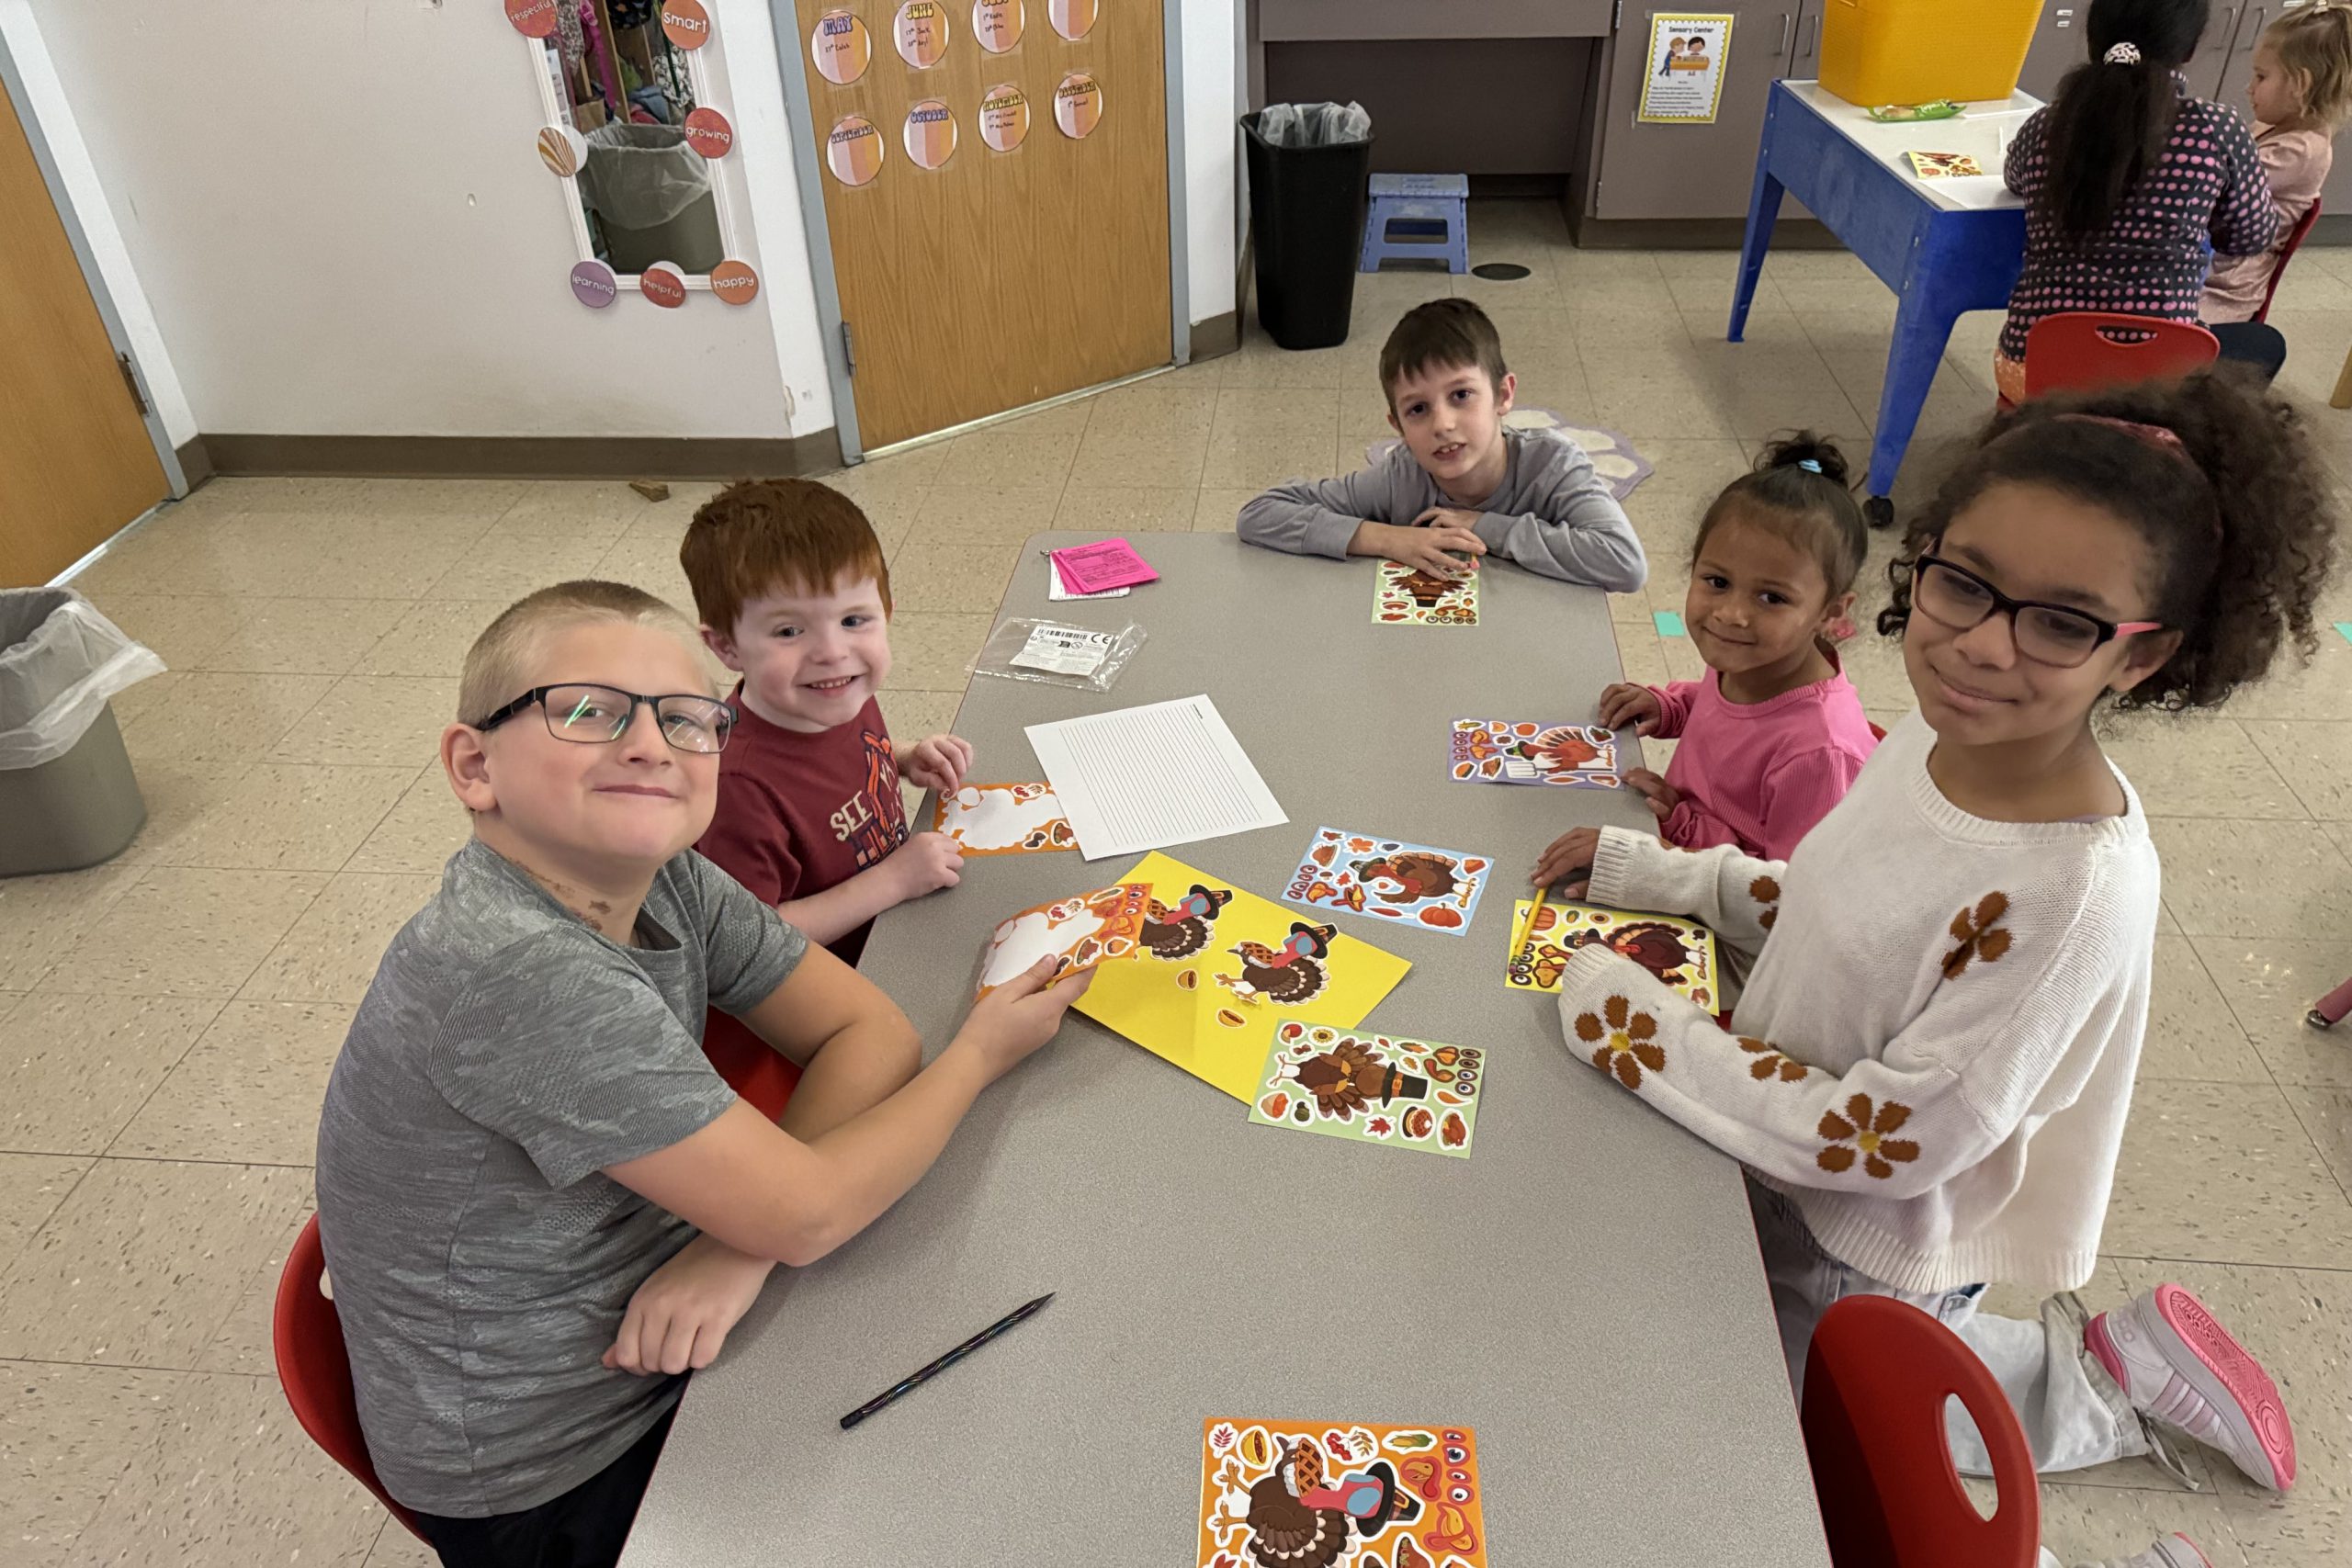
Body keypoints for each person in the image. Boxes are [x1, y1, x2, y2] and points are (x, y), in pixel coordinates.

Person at [1530, 369, 2335, 1568]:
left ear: (2145, 655)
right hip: (1791, 1162)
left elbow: (1882, 1139)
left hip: (1850, 1216)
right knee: (1892, 1361)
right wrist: (1679, 878)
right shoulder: (1939, 736)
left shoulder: (2073, 890)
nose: (1977, 644)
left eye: (2062, 619)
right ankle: (2109, 1358)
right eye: (1963, 582)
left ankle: (2100, 1431)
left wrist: (1635, 1026)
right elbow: (1838, 904)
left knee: (1841, 1455)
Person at [315, 582, 1089, 1568]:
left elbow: (870, 1032)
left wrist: (740, 1247)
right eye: (588, 712)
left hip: (658, 1299)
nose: (651, 747)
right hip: (556, 1462)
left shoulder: (666, 872)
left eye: (688, 722)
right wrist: (978, 1051)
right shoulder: (516, 968)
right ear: (475, 766)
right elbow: (808, 1213)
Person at [682, 478, 975, 1113]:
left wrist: (902, 760)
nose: (832, 652)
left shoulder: (836, 695)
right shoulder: (736, 786)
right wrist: (892, 881)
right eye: (789, 631)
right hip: (819, 1014)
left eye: (854, 619)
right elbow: (745, 944)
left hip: (896, 940)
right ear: (726, 645)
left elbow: (840, 769)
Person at [1592, 433, 1878, 862]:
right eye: (1718, 582)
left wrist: (1683, 825)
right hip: (1681, 851)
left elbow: (1779, 894)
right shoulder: (1753, 662)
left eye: (1772, 598)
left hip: (1721, 904)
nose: (1731, 614)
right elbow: (1729, 717)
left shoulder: (1820, 753)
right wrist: (1671, 707)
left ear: (1831, 612)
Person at [1236, 299, 1647, 593]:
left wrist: (1482, 525)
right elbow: (1259, 514)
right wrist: (1387, 539)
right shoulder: (1402, 476)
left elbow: (1624, 563)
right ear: (1397, 427)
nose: (1443, 425)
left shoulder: (1553, 465)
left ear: (1503, 395)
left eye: (1461, 395)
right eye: (1418, 409)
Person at [1994, 0, 2276, 404]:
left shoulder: (2047, 125)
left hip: (2034, 369)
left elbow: (2014, 179)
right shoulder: (2217, 130)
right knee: (2260, 346)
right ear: (2189, 49)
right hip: (2156, 384)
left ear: (2093, 39)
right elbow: (2251, 236)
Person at [2199, 0, 2352, 378]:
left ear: (2300, 85)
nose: (2249, 88)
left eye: (2261, 78)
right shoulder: (2275, 126)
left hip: (2222, 286)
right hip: (2213, 255)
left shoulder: (2303, 150)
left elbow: (2212, 186)